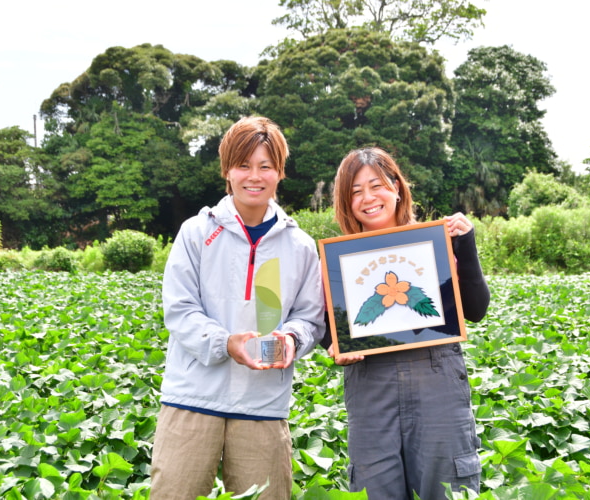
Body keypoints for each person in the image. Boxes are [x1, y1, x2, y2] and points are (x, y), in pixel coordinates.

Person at [150, 116, 325, 499]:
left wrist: (294, 339)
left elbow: (311, 318)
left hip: (262, 402)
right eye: (243, 165)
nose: (254, 176)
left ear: (280, 173)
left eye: (265, 166)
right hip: (192, 398)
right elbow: (179, 309)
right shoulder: (196, 233)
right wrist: (227, 343)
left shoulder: (301, 246)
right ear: (227, 171)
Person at [322, 146, 490, 500]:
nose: (367, 198)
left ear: (397, 187)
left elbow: (474, 309)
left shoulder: (435, 242)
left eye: (376, 185)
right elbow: (326, 324)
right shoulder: (339, 260)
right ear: (345, 202)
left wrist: (466, 245)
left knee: (446, 484)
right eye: (355, 192)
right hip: (370, 383)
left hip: (437, 377)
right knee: (374, 487)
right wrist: (333, 345)